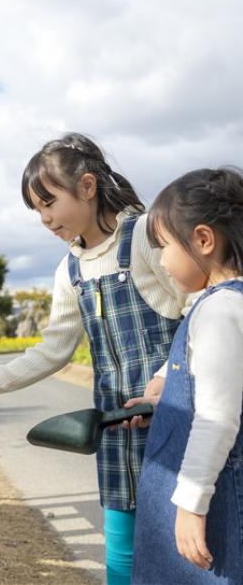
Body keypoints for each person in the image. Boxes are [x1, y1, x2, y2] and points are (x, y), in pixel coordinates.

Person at [0, 133, 189, 585]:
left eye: (48, 203)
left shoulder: (145, 237)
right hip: (116, 428)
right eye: (35, 210)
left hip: (174, 415)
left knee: (185, 547)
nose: (43, 218)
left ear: (87, 187)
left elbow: (195, 313)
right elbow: (53, 349)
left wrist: (162, 380)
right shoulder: (70, 269)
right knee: (119, 556)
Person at [128, 168, 243, 584]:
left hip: (210, 505)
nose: (160, 260)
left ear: (203, 239)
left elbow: (218, 417)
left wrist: (192, 504)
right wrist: (168, 400)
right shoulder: (219, 305)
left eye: (163, 246)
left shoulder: (218, 310)